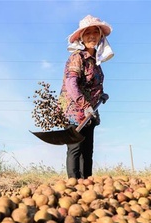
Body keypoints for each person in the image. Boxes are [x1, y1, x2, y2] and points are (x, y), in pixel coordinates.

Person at [59, 15, 114, 179]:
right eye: (87, 33)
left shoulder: (96, 62)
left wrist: (101, 95)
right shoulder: (78, 57)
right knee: (75, 148)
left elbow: (93, 85)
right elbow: (71, 84)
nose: (92, 36)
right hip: (75, 111)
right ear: (81, 37)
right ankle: (72, 186)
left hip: (90, 112)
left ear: (100, 36)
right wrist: (85, 105)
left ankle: (87, 185)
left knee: (87, 150)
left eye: (95, 32)